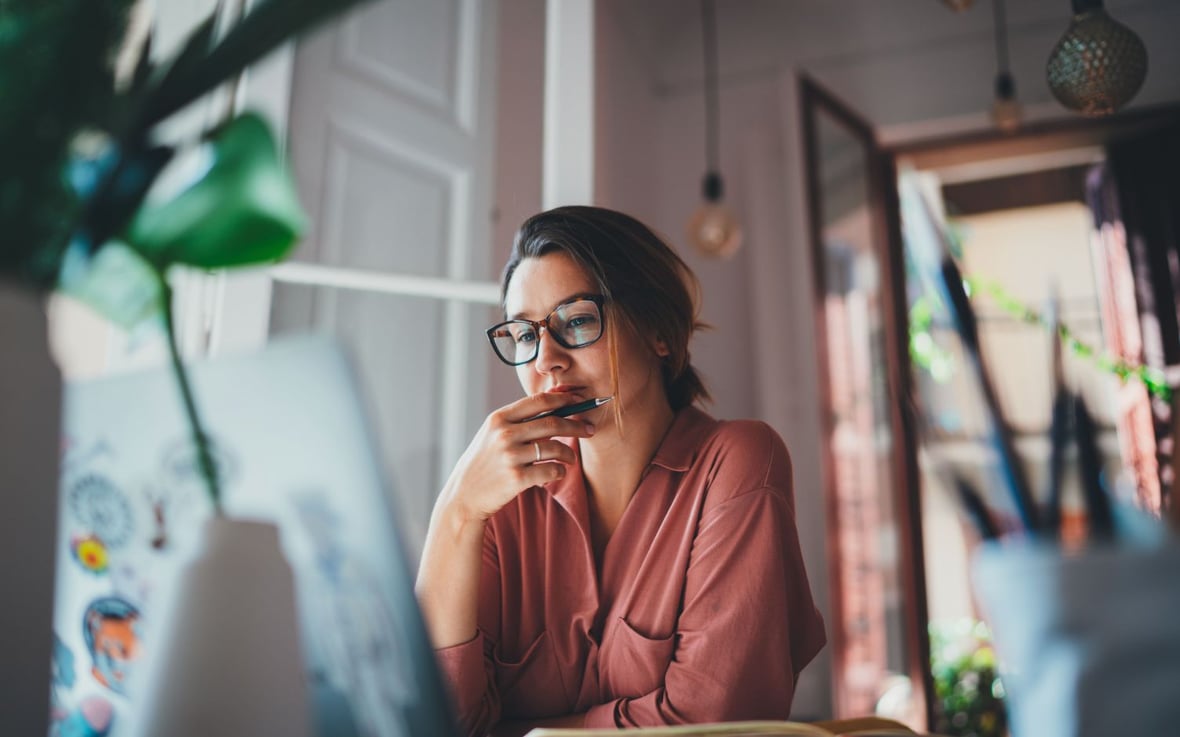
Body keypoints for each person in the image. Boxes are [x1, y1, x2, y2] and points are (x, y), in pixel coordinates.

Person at [416, 206, 825, 736]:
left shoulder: (737, 462)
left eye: (578, 321)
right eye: (523, 335)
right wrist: (456, 512)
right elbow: (434, 722)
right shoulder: (501, 500)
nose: (546, 361)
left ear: (657, 330)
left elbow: (708, 723)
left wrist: (526, 732)